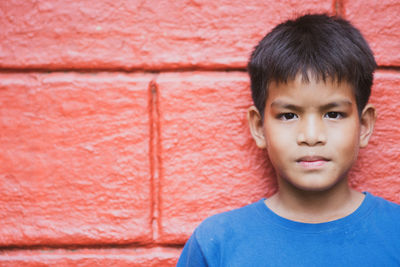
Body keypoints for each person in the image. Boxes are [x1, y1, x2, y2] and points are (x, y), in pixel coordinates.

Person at [177, 14, 400, 266]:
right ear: (259, 127)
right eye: (288, 115)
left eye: (334, 114)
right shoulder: (217, 243)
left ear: (365, 125)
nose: (311, 136)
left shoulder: (395, 233)